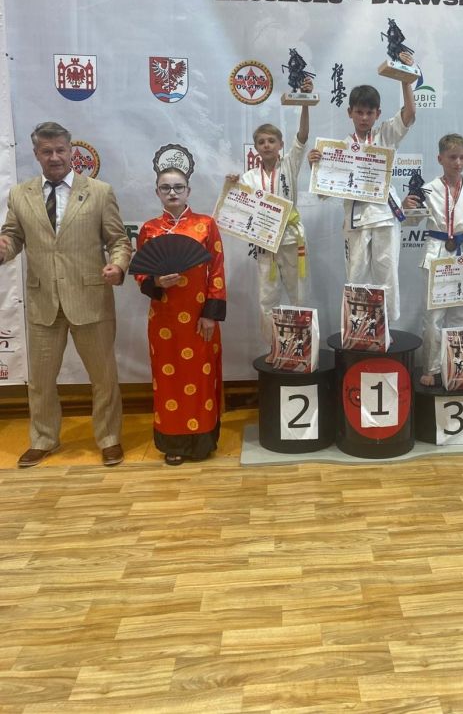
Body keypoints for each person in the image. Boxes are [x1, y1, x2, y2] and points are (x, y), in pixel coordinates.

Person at [0, 121, 131, 467]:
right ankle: (43, 439)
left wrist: (118, 267)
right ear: (36, 154)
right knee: (41, 381)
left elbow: (118, 240)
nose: (55, 157)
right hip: (43, 301)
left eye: (60, 150)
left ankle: (110, 438)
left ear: (71, 150)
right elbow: (13, 236)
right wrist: (4, 247)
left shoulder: (99, 191)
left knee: (104, 378)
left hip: (91, 299)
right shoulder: (20, 194)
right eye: (47, 151)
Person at [308, 54, 417, 322]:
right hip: (355, 219)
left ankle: (386, 330)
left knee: (387, 275)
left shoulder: (385, 135)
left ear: (378, 113)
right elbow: (324, 191)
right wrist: (316, 166)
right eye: (359, 112)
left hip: (385, 216)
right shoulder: (339, 149)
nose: (364, 117)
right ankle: (357, 327)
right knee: (355, 275)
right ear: (350, 113)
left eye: (370, 112)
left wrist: (406, 80)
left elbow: (410, 114)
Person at [135, 167, 226, 465]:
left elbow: (217, 271)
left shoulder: (206, 225)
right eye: (165, 188)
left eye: (178, 187)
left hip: (199, 317)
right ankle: (172, 441)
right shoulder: (149, 229)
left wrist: (210, 314)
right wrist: (156, 282)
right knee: (168, 380)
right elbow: (140, 273)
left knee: (200, 377)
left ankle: (202, 441)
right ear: (157, 192)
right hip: (164, 318)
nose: (172, 192)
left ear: (188, 190)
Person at [404, 133, 463, 386]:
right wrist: (408, 207)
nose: (458, 162)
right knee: (434, 317)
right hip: (437, 253)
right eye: (452, 157)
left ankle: (460, 365)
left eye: (462, 157)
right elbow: (411, 221)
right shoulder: (427, 189)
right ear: (440, 158)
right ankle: (431, 368)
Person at [229, 83, 311, 343]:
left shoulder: (290, 164)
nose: (266, 145)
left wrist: (305, 102)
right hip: (265, 243)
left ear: (280, 145)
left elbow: (303, 135)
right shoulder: (249, 177)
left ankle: (301, 346)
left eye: (271, 141)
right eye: (261, 142)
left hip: (291, 239)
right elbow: (238, 209)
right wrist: (231, 185)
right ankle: (273, 347)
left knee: (299, 295)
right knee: (267, 298)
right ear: (255, 147)